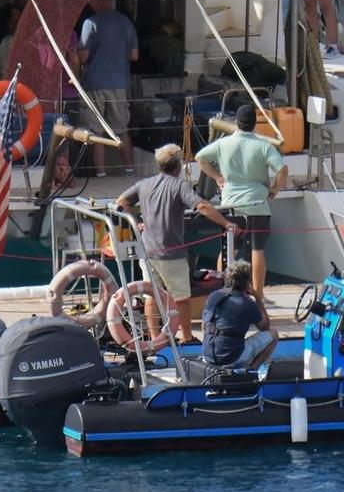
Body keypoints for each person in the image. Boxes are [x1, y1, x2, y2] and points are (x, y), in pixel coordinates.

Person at [116, 144, 241, 345]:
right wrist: (227, 223)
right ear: (178, 165)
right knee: (182, 297)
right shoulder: (180, 186)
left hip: (147, 251)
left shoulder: (144, 184)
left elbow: (121, 201)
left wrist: (136, 221)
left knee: (152, 295)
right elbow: (201, 205)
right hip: (170, 253)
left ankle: (155, 337)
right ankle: (187, 336)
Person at [195, 103, 289, 295]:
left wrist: (218, 177)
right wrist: (275, 188)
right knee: (257, 249)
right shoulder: (263, 145)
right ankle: (258, 292)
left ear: (236, 123)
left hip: (230, 202)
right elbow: (282, 169)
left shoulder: (223, 144)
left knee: (228, 247)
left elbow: (200, 158)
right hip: (257, 202)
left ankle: (222, 289)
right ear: (255, 124)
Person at [76, 0, 137, 175]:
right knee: (121, 130)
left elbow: (83, 56)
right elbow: (134, 55)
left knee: (97, 132)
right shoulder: (126, 22)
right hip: (120, 83)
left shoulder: (90, 23)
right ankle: (129, 170)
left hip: (94, 83)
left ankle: (101, 174)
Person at [201, 260, 271, 369]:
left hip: (208, 355)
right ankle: (253, 369)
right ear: (247, 282)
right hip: (231, 358)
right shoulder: (247, 303)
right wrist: (257, 297)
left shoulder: (213, 296)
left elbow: (204, 326)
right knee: (274, 335)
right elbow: (265, 327)